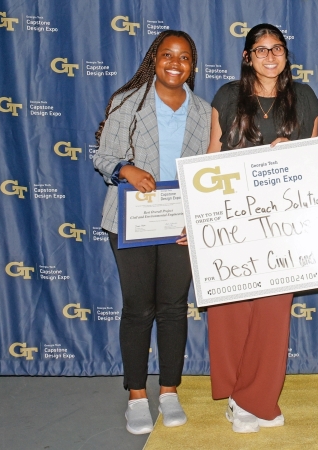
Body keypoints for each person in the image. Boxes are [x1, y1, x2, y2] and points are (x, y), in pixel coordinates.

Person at [205, 23, 318, 434]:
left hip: (283, 222)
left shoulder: (305, 97)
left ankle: (260, 397)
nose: (270, 57)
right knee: (234, 308)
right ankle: (239, 398)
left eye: (277, 49)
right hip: (232, 217)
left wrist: (296, 155)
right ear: (247, 57)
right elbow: (211, 159)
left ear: (286, 55)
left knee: (273, 312)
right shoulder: (227, 96)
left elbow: (315, 162)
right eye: (260, 50)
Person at [93, 30, 211, 435]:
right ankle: (137, 396)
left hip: (179, 224)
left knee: (175, 308)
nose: (175, 63)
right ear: (154, 59)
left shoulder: (204, 111)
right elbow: (102, 155)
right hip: (131, 220)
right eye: (167, 55)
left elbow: (207, 175)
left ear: (192, 65)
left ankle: (169, 391)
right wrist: (124, 169)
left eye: (184, 57)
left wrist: (195, 215)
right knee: (139, 308)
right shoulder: (127, 103)